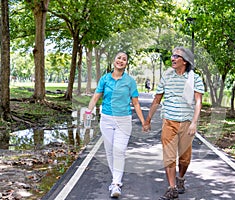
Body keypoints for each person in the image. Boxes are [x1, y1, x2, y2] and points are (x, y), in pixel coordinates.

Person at [143, 47, 204, 200]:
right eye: (172, 55)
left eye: (177, 56)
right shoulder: (167, 77)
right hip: (169, 121)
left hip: (186, 122)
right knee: (169, 157)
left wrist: (194, 123)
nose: (172, 58)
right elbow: (157, 99)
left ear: (185, 61)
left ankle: (181, 179)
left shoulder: (194, 78)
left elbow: (198, 102)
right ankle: (172, 188)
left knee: (184, 159)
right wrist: (147, 120)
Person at [84, 51, 145, 198]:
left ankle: (116, 184)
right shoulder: (105, 79)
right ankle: (115, 179)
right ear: (114, 61)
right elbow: (95, 97)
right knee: (110, 151)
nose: (121, 61)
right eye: (119, 58)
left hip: (124, 120)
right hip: (106, 119)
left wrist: (144, 121)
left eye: (124, 59)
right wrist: (88, 112)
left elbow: (135, 103)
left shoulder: (130, 81)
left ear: (126, 64)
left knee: (119, 151)